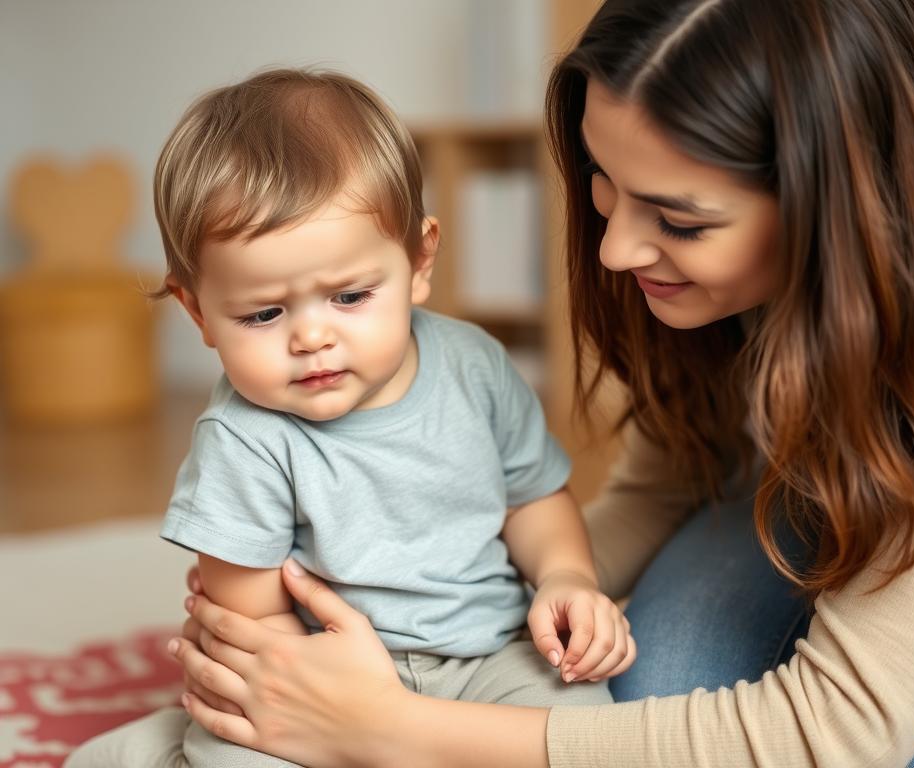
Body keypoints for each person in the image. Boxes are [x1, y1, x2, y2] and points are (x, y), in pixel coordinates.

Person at [85, 0, 914, 764]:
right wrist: (487, 606)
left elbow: (834, 734)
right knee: (614, 678)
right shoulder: (248, 434)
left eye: (679, 220)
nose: (613, 250)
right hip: (853, 480)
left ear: (833, 205)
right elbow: (663, 481)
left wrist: (390, 729)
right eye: (605, 187)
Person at [66, 69, 634, 768]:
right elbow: (254, 620)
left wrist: (566, 578)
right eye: (265, 314)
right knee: (244, 749)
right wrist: (327, 720)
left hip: (492, 655)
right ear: (197, 312)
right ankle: (154, 754)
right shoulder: (245, 437)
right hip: (320, 672)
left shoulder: (475, 366)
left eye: (350, 296)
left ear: (420, 259)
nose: (311, 338)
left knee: (586, 733)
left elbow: (532, 499)